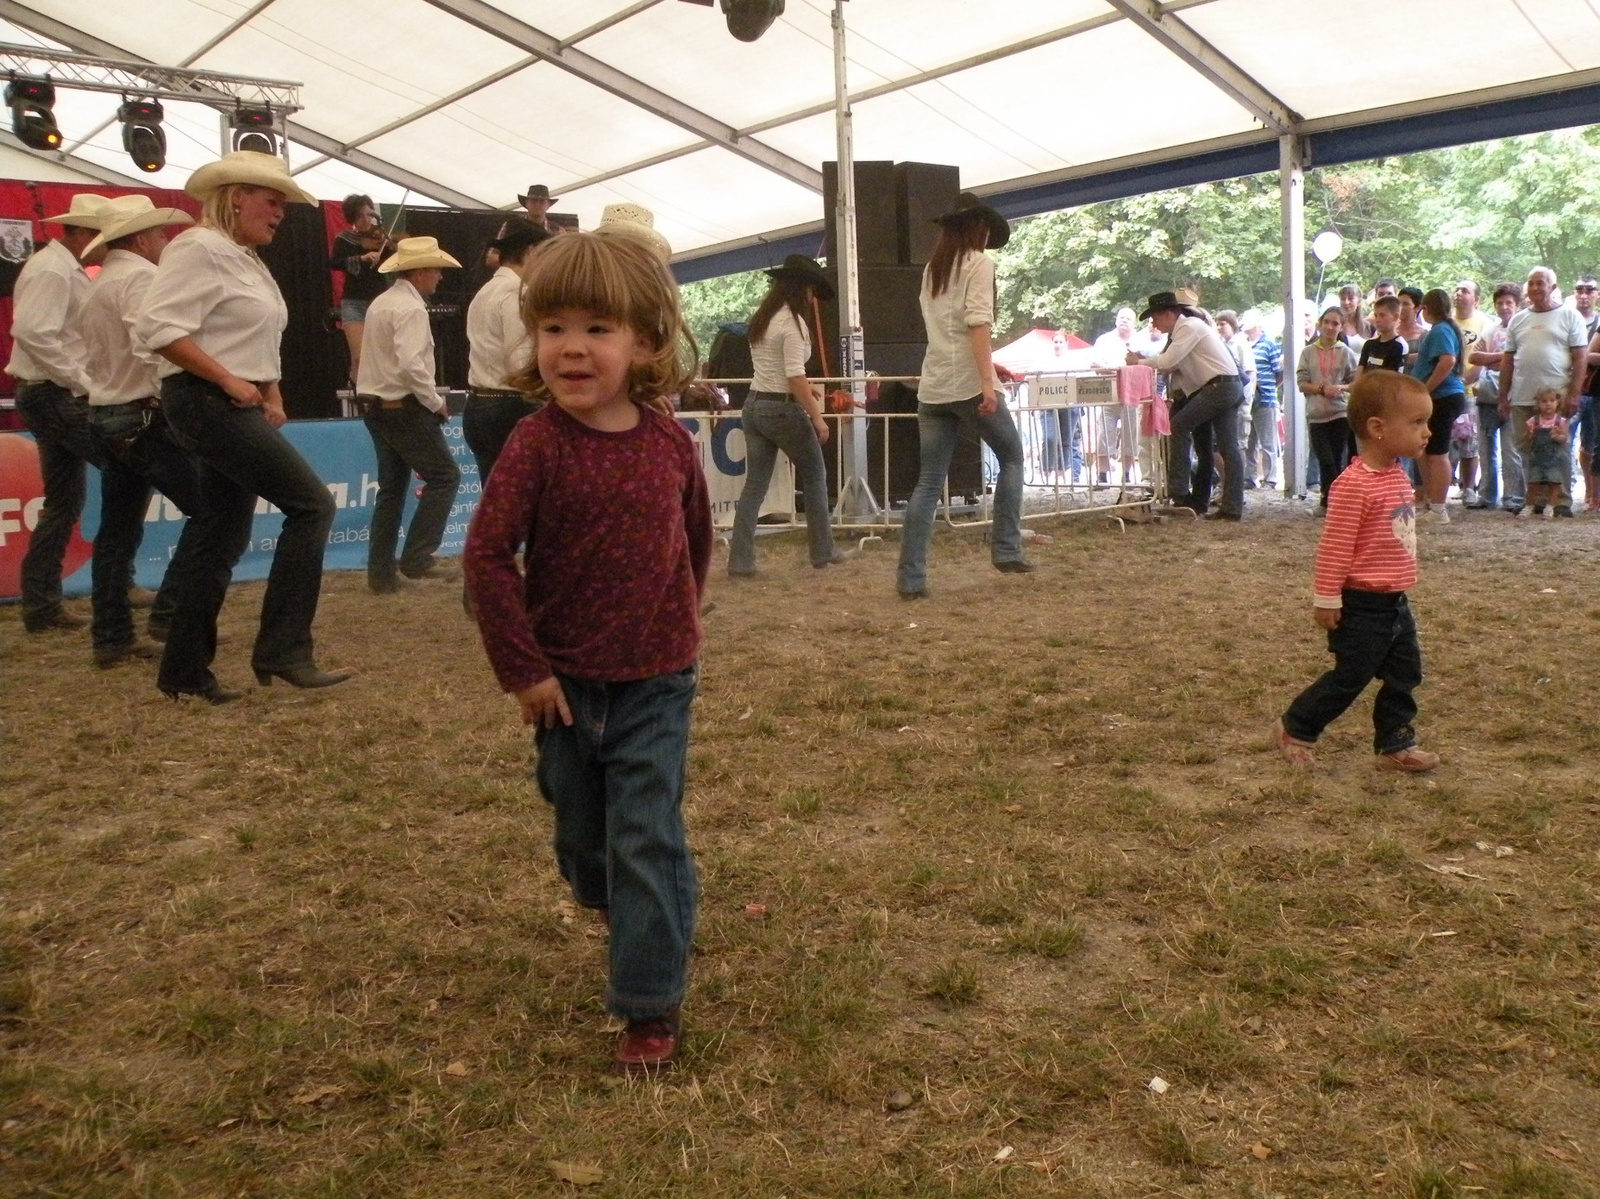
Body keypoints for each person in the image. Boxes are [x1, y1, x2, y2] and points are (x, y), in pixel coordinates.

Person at [462, 231, 712, 1075]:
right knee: (581, 835)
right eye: (555, 326)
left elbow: (694, 541)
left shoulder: (671, 442)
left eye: (598, 328)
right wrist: (525, 669)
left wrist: (681, 628)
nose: (573, 347)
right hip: (563, 685)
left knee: (647, 835)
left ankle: (650, 1004)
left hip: (655, 681)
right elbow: (488, 557)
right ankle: (615, 897)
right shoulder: (535, 444)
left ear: (643, 339)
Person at [137, 150, 351, 702]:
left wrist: (270, 389)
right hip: (206, 399)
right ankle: (283, 649)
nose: (281, 214)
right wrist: (231, 381)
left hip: (227, 399)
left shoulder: (245, 258)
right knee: (312, 505)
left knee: (220, 533)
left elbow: (256, 334)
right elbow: (158, 328)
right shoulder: (198, 248)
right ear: (235, 196)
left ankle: (184, 671)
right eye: (272, 202)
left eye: (283, 205)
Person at [1275, 372, 1438, 773]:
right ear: (1378, 429)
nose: (1427, 432)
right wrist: (1327, 598)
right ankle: (1297, 727)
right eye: (1417, 423)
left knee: (1405, 673)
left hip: (1394, 601)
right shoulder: (1353, 486)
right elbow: (1335, 548)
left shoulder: (1397, 473)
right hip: (1361, 604)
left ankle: (1395, 743)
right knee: (1351, 677)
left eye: (1426, 422)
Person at [77, 195, 203, 667]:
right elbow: (153, 344)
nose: (165, 241)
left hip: (106, 413)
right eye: (160, 233)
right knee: (210, 511)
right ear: (141, 238)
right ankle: (171, 616)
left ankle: (111, 636)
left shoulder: (99, 283)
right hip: (144, 416)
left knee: (115, 532)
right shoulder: (141, 278)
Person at [897, 193, 1031, 597]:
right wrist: (988, 383)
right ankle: (1006, 549)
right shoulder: (979, 264)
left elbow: (949, 330)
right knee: (1012, 457)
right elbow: (978, 326)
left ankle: (911, 577)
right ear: (978, 228)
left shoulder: (932, 270)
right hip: (969, 385)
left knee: (928, 482)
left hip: (934, 384)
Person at [8, 193, 112, 633]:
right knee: (127, 467)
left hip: (46, 391)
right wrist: (81, 382)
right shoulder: (53, 270)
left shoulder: (60, 267)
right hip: (53, 391)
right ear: (87, 235)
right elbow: (33, 333)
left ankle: (42, 604)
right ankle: (115, 584)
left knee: (64, 502)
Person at [355, 236, 464, 594]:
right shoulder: (411, 309)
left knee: (392, 490)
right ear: (418, 272)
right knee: (445, 476)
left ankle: (381, 573)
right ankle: (417, 557)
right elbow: (412, 365)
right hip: (403, 408)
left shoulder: (382, 303)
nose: (439, 277)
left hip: (376, 406)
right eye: (435, 269)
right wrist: (435, 401)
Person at [728, 254, 845, 576]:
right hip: (781, 408)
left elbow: (781, 374)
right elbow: (794, 376)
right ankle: (823, 551)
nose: (812, 297)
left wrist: (806, 392)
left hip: (754, 404)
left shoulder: (764, 319)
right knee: (815, 475)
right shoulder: (794, 325)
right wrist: (818, 419)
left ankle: (740, 561)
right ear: (802, 288)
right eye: (810, 290)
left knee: (755, 486)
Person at [1131, 290, 1245, 520]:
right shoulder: (1187, 329)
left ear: (1169, 314)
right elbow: (1171, 362)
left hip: (1218, 386)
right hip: (1225, 386)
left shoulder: (1188, 327)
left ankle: (1180, 492)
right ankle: (1231, 507)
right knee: (1227, 447)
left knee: (1179, 427)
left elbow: (1166, 362)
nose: (1153, 323)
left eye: (1155, 317)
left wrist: (1138, 362)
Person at [464, 220, 553, 482]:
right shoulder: (517, 292)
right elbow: (521, 362)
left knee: (495, 499)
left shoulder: (484, 292)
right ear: (530, 252)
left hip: (478, 405)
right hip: (509, 408)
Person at [1500, 266, 1587, 517]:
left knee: (1557, 448)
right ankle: (1533, 500)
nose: (1536, 287)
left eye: (1541, 283)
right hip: (1523, 395)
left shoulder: (1570, 316)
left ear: (1553, 287)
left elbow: (1580, 358)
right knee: (1526, 447)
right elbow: (1508, 360)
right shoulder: (1518, 319)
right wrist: (1503, 395)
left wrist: (1574, 394)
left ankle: (1560, 502)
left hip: (1555, 397)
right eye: (1531, 283)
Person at [1410, 288, 1467, 523]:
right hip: (1442, 396)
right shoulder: (1442, 330)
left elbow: (1447, 360)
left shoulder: (1441, 330)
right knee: (1427, 451)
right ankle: (1432, 501)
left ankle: (1439, 507)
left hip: (1443, 397)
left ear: (1426, 308)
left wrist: (1426, 388)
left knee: (1437, 452)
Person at [1298, 308, 1359, 515]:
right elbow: (1302, 383)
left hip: (1340, 413)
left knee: (1337, 458)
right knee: (1325, 458)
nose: (1330, 327)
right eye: (1327, 322)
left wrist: (1340, 388)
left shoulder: (1346, 352)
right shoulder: (1308, 352)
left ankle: (1332, 501)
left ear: (1341, 327)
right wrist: (1322, 389)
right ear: (1320, 323)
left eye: (1335, 324)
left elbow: (1355, 381)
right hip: (1316, 414)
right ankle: (1331, 498)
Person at [1466, 282, 1522, 510]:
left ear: (1517, 305)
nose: (1504, 307)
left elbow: (1521, 359)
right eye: (1500, 302)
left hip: (1515, 393)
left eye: (1509, 302)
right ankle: (1487, 496)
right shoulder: (1491, 329)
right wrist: (1503, 355)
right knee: (1485, 448)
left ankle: (1513, 497)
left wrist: (1500, 360)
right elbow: (1475, 357)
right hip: (1489, 394)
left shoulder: (1521, 329)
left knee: (1511, 449)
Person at [328, 194, 392, 387]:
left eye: (368, 215)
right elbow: (334, 263)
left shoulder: (379, 237)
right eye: (360, 216)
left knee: (379, 355)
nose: (366, 220)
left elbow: (393, 259)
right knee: (359, 356)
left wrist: (390, 244)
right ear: (352, 218)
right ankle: (359, 391)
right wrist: (362, 259)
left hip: (378, 301)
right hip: (354, 302)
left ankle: (370, 394)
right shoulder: (345, 239)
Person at [1242, 310, 1282, 488]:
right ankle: (1250, 477)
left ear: (1257, 324)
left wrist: (1269, 388)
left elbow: (1279, 372)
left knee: (1267, 441)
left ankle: (1270, 478)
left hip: (1265, 399)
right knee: (1249, 441)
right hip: (1248, 399)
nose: (1243, 323)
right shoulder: (1245, 345)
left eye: (1247, 320)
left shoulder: (1269, 345)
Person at [1523, 387, 1571, 517]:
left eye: (1551, 401)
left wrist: (1557, 437)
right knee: (1532, 483)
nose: (1548, 404)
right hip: (1537, 457)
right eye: (1544, 401)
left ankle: (1551, 506)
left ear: (1557, 403)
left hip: (1554, 458)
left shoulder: (1560, 421)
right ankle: (1529, 505)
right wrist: (1530, 434)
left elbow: (1564, 438)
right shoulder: (1534, 420)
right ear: (1538, 404)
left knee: (1554, 484)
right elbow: (1527, 438)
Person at [1356, 294, 1406, 379]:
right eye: (1376, 315)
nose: (1377, 320)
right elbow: (1359, 375)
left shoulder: (1399, 345)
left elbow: (1393, 379)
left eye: (1382, 315)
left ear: (1395, 317)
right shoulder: (1369, 344)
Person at [1396, 287, 1429, 370]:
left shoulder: (1426, 335)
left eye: (1405, 304)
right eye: (1398, 303)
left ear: (1418, 307)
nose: (1400, 307)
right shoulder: (1389, 332)